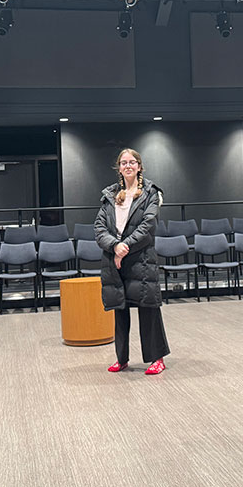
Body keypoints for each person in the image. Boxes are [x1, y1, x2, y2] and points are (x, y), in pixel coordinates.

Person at [94, 148, 170, 374]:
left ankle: (157, 358)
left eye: (132, 162)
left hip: (141, 258)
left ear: (139, 166)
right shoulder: (110, 195)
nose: (128, 166)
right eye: (124, 162)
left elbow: (148, 227)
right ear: (119, 168)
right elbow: (99, 228)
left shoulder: (150, 193)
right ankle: (122, 358)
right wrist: (115, 247)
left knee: (149, 308)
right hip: (115, 261)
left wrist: (123, 248)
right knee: (120, 308)